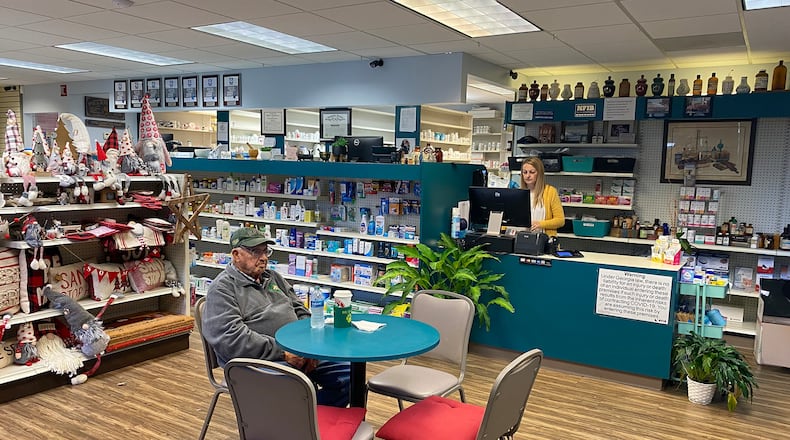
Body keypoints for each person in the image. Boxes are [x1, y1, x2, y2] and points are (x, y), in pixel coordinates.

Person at [201, 227, 350, 407]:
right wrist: (283, 352)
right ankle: (299, 423)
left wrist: (308, 346)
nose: (263, 257)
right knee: (298, 386)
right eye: (255, 252)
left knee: (349, 375)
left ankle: (312, 424)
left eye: (265, 251)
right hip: (256, 363)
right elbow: (231, 339)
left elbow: (299, 309)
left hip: (296, 351)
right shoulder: (222, 289)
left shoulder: (273, 277)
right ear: (236, 255)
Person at [520, 156, 565, 236]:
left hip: (544, 240)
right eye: (525, 172)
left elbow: (560, 220)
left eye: (532, 172)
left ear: (539, 173)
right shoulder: (519, 193)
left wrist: (540, 224)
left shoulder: (550, 192)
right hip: (523, 238)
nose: (528, 175)